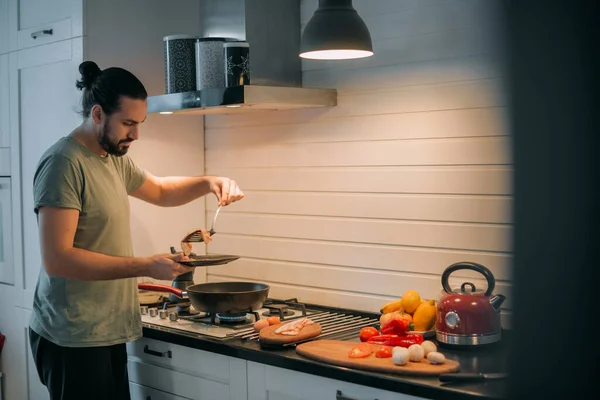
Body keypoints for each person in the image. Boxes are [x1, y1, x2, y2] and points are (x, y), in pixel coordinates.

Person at [27, 61, 244, 400]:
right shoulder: (63, 164)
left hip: (106, 328)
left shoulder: (111, 156)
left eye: (140, 123)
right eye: (128, 123)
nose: (136, 134)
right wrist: (146, 265)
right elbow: (59, 259)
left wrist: (209, 182)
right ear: (97, 114)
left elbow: (159, 190)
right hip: (72, 336)